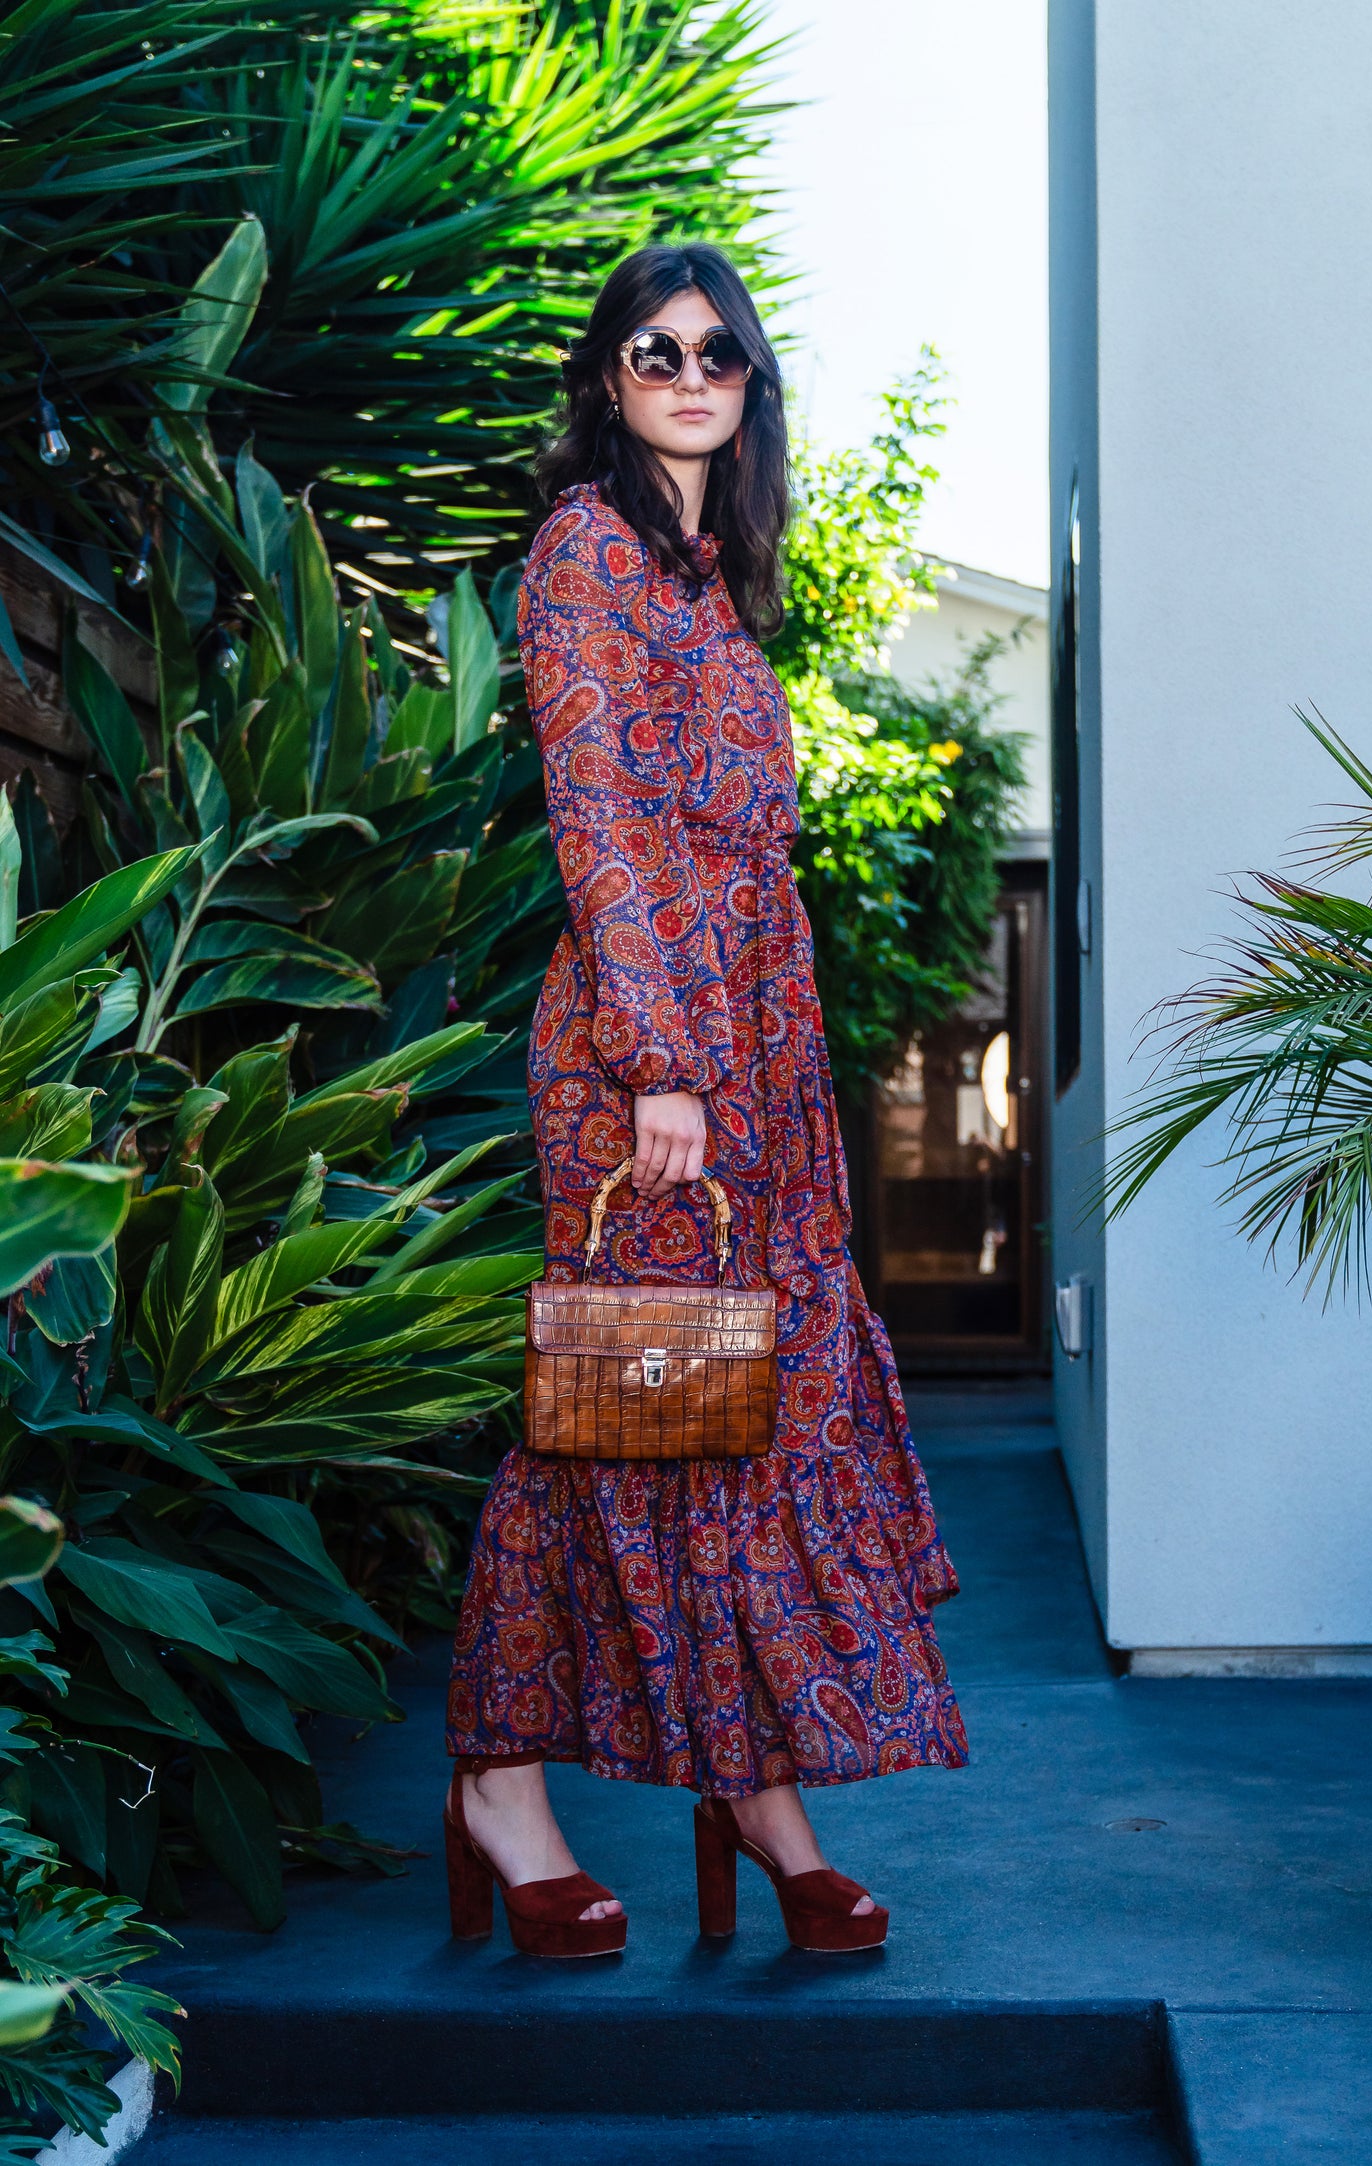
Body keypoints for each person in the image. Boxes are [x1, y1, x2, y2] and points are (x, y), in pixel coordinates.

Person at [443, 242, 968, 1960]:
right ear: (607, 380)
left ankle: (754, 1795)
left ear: (749, 386)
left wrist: (744, 1059)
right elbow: (599, 815)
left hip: (757, 1053)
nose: (687, 371)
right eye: (654, 348)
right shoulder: (589, 550)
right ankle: (505, 1790)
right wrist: (661, 1058)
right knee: (614, 1410)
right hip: (650, 1053)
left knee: (736, 1414)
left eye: (719, 352)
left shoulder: (710, 577)